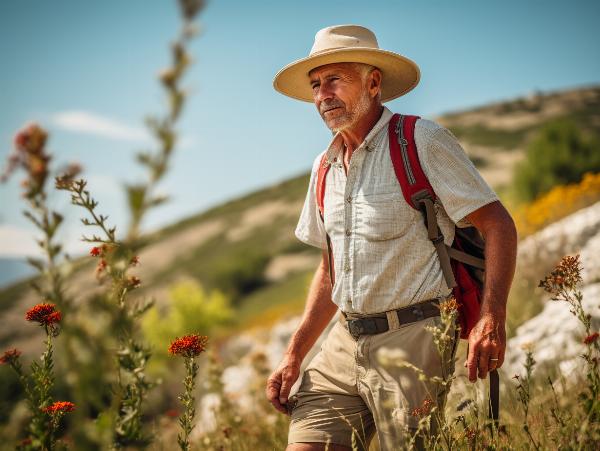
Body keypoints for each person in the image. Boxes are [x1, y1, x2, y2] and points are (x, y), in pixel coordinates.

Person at [266, 24, 517, 451]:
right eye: (315, 85)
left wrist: (492, 318)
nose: (323, 94)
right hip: (343, 343)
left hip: (414, 337)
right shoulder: (323, 167)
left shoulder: (422, 140)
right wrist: (294, 353)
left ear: (374, 83)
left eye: (334, 80)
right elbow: (331, 267)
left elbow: (498, 225)